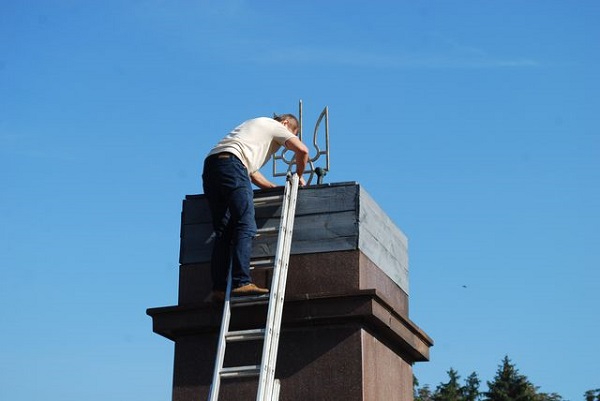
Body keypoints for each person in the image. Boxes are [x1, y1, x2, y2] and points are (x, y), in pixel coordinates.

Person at [202, 114, 309, 301]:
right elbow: (302, 150)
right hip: (233, 165)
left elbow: (251, 173)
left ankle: (218, 289)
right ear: (285, 124)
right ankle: (242, 282)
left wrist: (273, 188)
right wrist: (298, 175)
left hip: (212, 167)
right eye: (292, 133)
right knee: (246, 225)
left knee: (224, 231)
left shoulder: (253, 128)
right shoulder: (275, 125)